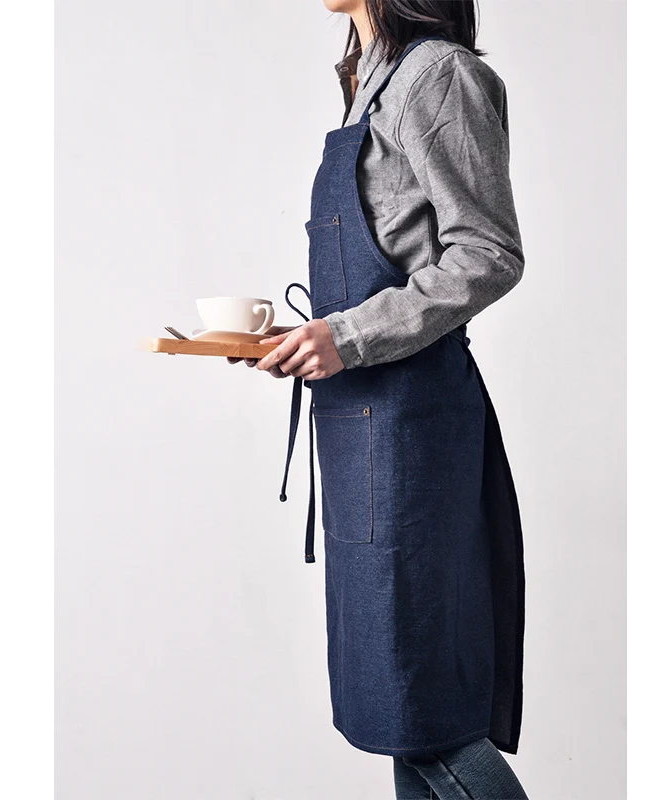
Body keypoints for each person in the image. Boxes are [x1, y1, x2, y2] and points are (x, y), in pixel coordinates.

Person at [230, 2, 528, 797]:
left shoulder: (438, 75)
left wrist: (348, 336)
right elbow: (386, 270)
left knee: (424, 713)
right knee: (400, 709)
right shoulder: (371, 79)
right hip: (362, 426)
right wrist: (308, 340)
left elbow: (488, 253)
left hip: (412, 431)